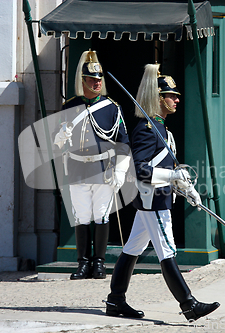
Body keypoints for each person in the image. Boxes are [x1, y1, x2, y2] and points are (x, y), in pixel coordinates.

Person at [105, 64, 220, 322]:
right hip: (154, 199)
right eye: (172, 95)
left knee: (133, 248)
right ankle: (189, 305)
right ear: (158, 98)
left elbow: (171, 166)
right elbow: (141, 169)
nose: (177, 99)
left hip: (158, 197)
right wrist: (172, 177)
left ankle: (115, 300)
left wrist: (188, 188)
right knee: (167, 250)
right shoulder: (146, 129)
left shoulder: (162, 130)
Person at [54, 50, 130, 280]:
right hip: (77, 168)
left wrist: (120, 171)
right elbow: (56, 145)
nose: (97, 84)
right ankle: (83, 263)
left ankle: (99, 263)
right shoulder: (70, 106)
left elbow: (123, 143)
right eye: (92, 80)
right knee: (81, 216)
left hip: (102, 169)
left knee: (101, 215)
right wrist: (60, 137)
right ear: (83, 81)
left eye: (99, 80)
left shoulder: (111, 107)